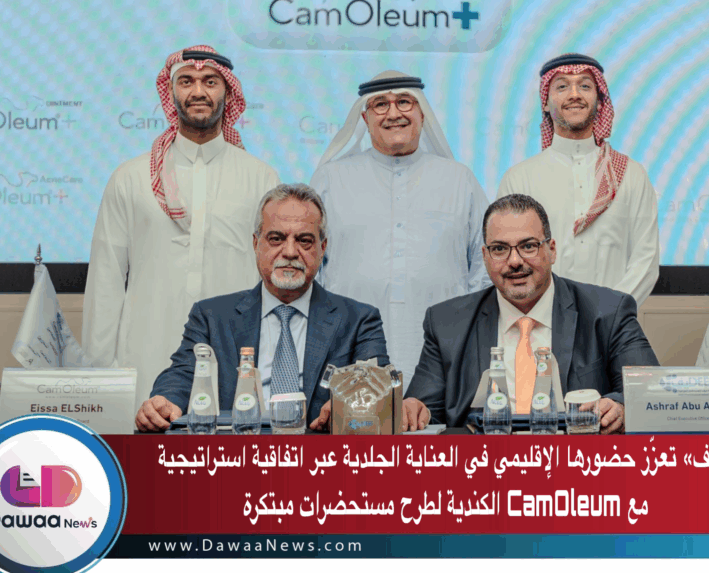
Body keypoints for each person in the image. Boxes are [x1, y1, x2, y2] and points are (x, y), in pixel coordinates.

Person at [83, 45, 280, 409]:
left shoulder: (261, 178)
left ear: (229, 93)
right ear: (171, 92)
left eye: (210, 82)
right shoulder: (130, 178)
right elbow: (106, 280)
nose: (198, 91)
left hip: (234, 352)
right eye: (186, 81)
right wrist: (101, 374)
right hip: (147, 351)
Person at [138, 184, 390, 433]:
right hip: (239, 449)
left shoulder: (359, 320)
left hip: (319, 452)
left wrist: (350, 405)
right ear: (256, 243)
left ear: (322, 248)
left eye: (304, 241)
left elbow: (378, 388)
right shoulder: (211, 317)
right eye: (276, 239)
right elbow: (184, 373)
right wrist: (166, 401)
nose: (290, 252)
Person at [402, 194, 660, 433]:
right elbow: (423, 411)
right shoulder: (447, 323)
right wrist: (415, 410)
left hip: (574, 460)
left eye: (528, 246)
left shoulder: (608, 312)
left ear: (552, 250)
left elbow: (649, 391)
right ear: (485, 256)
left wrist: (619, 406)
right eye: (499, 249)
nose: (515, 261)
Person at [310, 70, 490, 390]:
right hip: (348, 350)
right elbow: (311, 267)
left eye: (405, 102)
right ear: (365, 118)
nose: (394, 113)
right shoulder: (330, 180)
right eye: (380, 104)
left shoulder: (459, 179)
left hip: (444, 353)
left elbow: (485, 265)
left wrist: (465, 327)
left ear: (422, 113)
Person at [497, 53, 659, 309]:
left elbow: (645, 260)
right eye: (562, 86)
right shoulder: (519, 179)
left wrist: (609, 315)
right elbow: (511, 261)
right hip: (542, 322)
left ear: (600, 100)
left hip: (613, 325)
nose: (574, 94)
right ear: (545, 103)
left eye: (585, 86)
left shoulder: (631, 174)